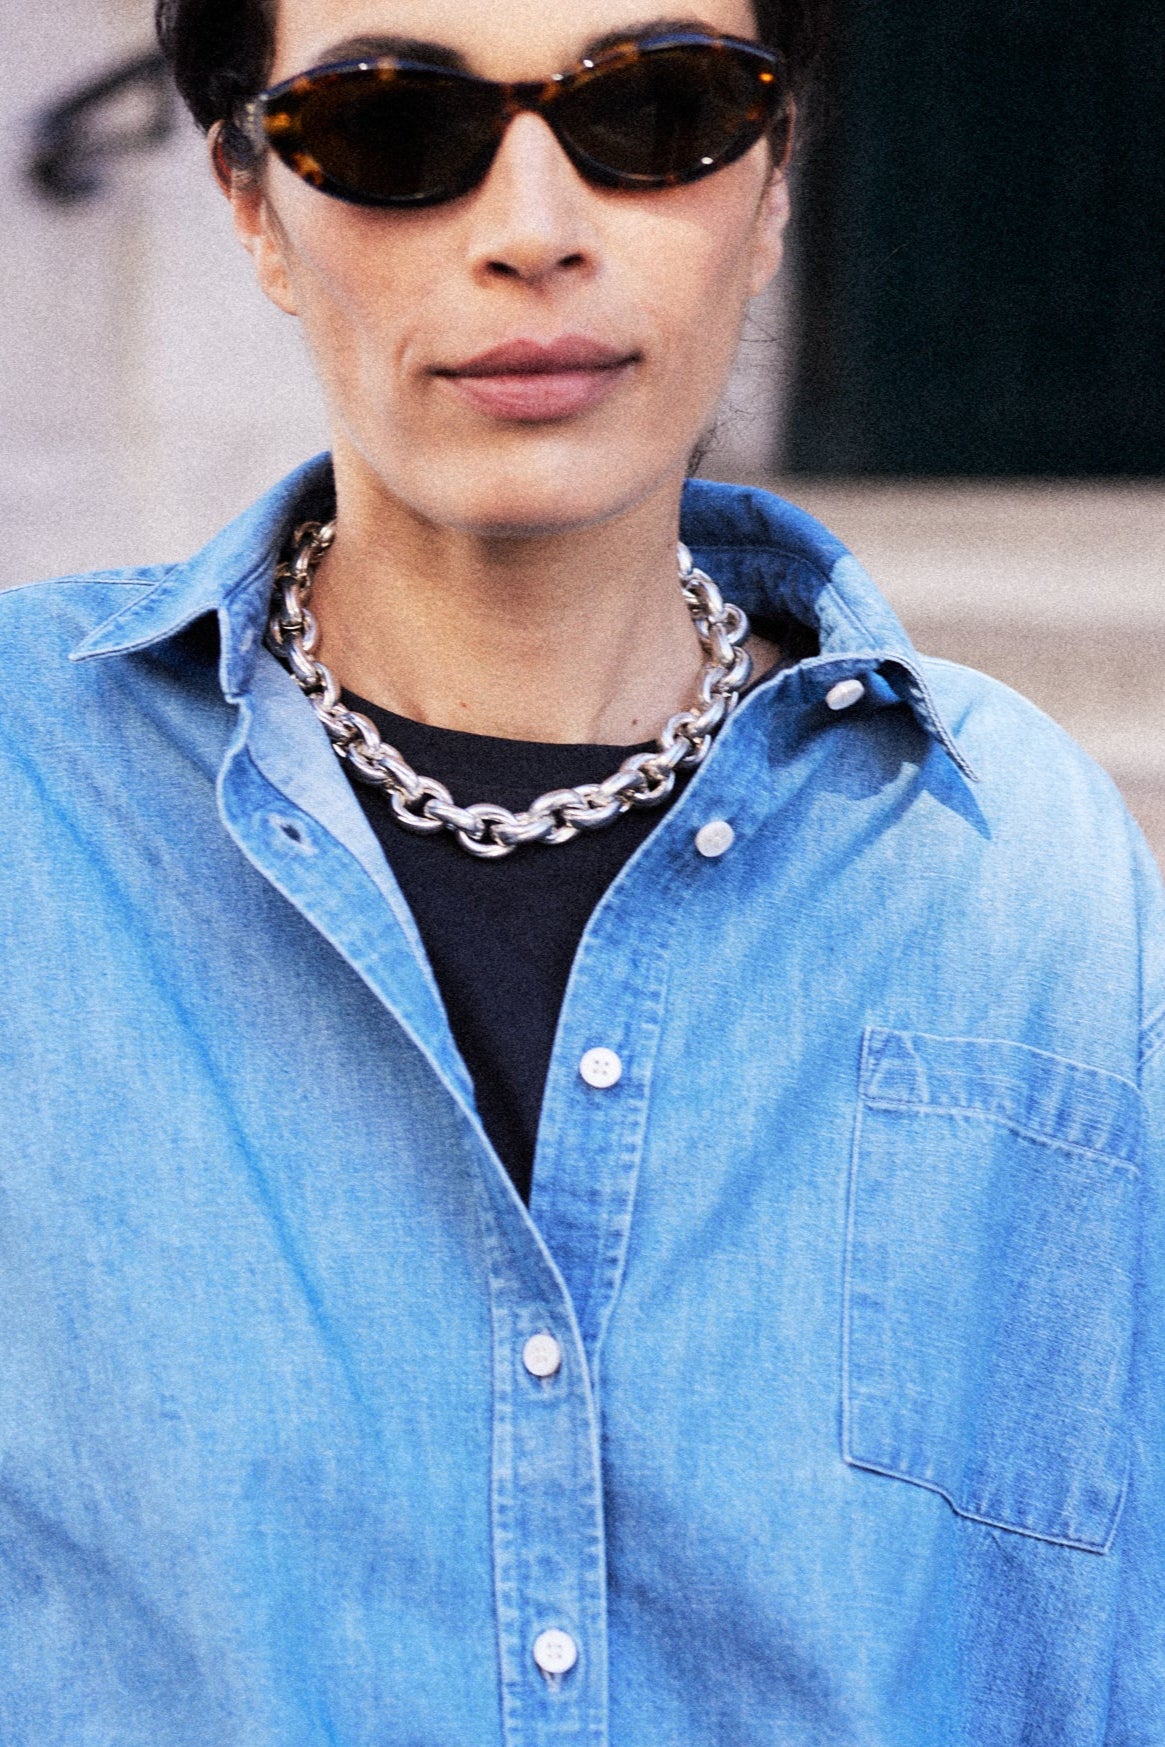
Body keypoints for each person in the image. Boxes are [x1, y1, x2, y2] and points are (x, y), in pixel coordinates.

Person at [1, 0, 1161, 1740]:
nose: (532, 229)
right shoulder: (30, 803)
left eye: (655, 109)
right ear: (253, 203)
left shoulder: (1018, 860)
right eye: (391, 124)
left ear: (773, 186)